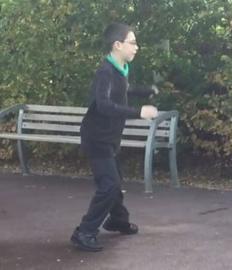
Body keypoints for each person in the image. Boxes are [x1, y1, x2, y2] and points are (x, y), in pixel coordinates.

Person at [71, 22, 159, 252]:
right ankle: (84, 232)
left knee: (114, 182)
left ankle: (117, 220)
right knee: (109, 185)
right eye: (132, 42)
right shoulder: (105, 72)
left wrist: (143, 90)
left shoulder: (119, 69)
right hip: (96, 138)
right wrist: (138, 112)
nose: (136, 47)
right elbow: (104, 105)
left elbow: (123, 89)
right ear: (117, 45)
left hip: (109, 139)